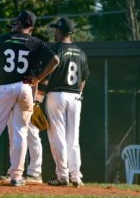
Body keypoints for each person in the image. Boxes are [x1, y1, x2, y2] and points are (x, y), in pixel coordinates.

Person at [0, 10, 59, 186]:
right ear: (31, 28)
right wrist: (38, 78)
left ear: (16, 23)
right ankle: (16, 176)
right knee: (20, 132)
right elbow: (55, 60)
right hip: (26, 87)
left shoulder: (1, 40)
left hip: (5, 87)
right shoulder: (35, 42)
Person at [46, 17, 90, 187]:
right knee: (73, 139)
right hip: (75, 97)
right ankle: (76, 176)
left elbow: (47, 76)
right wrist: (79, 94)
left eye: (55, 30)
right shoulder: (81, 52)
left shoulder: (55, 49)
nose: (54, 33)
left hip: (56, 96)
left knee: (58, 136)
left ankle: (62, 175)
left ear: (59, 31)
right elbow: (83, 78)